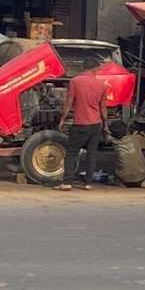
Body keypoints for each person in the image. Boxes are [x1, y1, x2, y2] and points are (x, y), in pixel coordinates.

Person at [55, 57, 109, 191]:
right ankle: (88, 183)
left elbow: (68, 102)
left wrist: (62, 119)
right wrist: (105, 124)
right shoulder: (102, 84)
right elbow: (103, 108)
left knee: (72, 152)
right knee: (92, 154)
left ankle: (67, 182)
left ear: (83, 67)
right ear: (95, 69)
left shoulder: (75, 81)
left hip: (80, 123)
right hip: (96, 124)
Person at [107, 120, 145, 188]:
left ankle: (119, 182)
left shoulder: (114, 142)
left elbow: (107, 135)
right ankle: (144, 181)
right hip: (141, 178)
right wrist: (143, 134)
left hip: (124, 179)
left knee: (117, 160)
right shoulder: (134, 138)